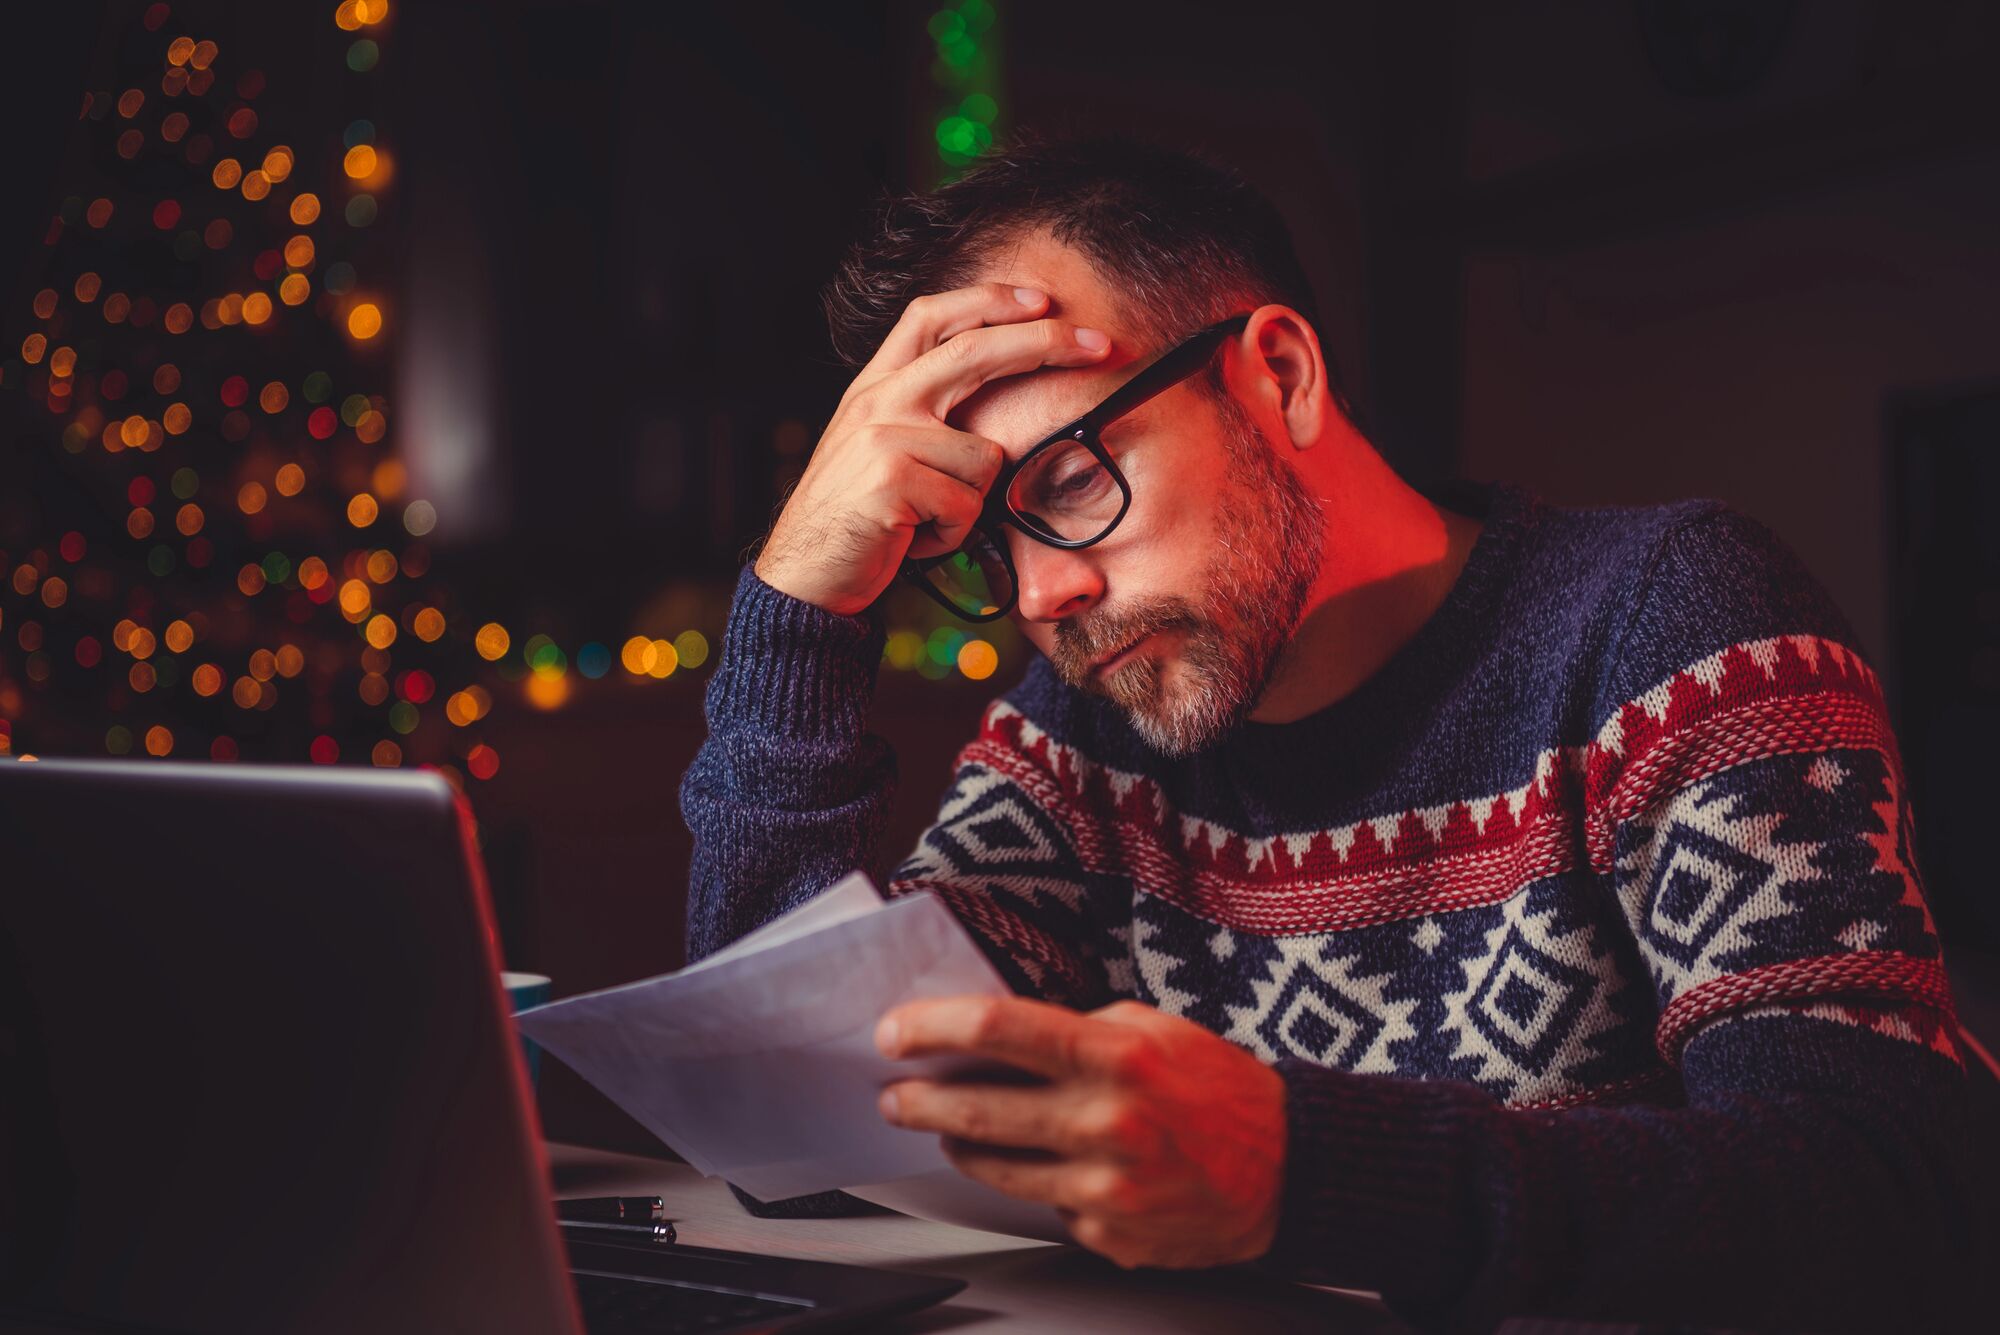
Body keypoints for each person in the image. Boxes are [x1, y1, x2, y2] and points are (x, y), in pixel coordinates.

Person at [680, 137, 1977, 1332]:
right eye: (981, 547)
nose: (1038, 599)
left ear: (1280, 378)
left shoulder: (1667, 624)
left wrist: (1309, 1170)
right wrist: (796, 611)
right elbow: (805, 1135)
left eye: (1069, 481)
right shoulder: (1086, 731)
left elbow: (1888, 1196)